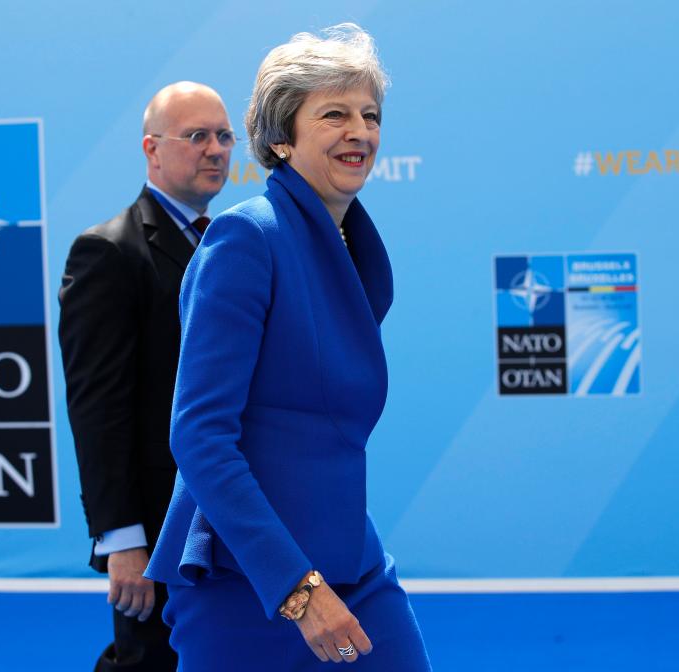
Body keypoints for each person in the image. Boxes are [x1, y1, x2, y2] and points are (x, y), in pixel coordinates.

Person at [145, 25, 431, 670]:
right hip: (250, 578)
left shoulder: (353, 249)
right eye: (334, 114)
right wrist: (298, 590)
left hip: (352, 560)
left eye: (370, 115)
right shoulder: (246, 239)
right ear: (281, 138)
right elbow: (200, 438)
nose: (360, 130)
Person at [58, 81, 234, 671]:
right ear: (151, 149)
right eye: (197, 136)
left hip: (229, 510)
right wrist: (122, 538)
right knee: (148, 663)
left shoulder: (231, 245)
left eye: (224, 136)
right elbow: (97, 409)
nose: (215, 149)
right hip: (157, 527)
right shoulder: (108, 252)